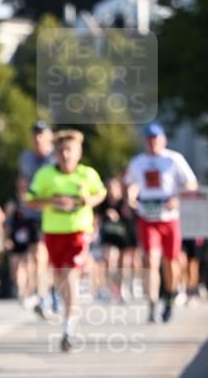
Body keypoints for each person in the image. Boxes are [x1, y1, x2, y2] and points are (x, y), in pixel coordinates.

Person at [26, 129, 106, 352]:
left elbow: (101, 193)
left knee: (70, 275)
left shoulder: (87, 174)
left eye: (70, 150)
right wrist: (51, 202)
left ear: (79, 153)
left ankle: (68, 329)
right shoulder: (45, 175)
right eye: (61, 150)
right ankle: (69, 312)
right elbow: (30, 201)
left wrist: (88, 199)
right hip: (53, 233)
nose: (65, 155)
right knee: (60, 278)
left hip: (78, 232)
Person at [124, 123, 198, 323]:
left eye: (156, 138)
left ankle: (170, 297)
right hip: (147, 217)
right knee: (151, 260)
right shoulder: (138, 162)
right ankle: (152, 302)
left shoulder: (173, 159)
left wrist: (178, 198)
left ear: (163, 139)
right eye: (149, 138)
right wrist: (131, 196)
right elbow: (131, 183)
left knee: (171, 261)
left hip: (169, 217)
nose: (152, 142)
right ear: (144, 141)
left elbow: (191, 182)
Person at [17, 120, 56, 316]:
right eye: (35, 134)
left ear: (50, 136)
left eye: (42, 133)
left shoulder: (56, 157)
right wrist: (22, 203)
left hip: (53, 213)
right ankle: (41, 295)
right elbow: (23, 181)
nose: (38, 137)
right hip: (33, 213)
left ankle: (50, 292)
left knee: (50, 258)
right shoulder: (26, 158)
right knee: (37, 255)